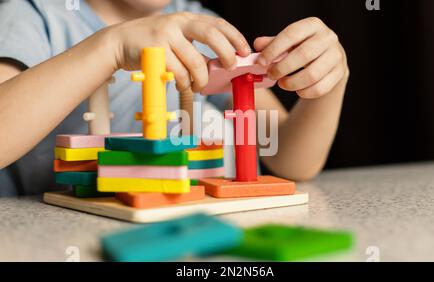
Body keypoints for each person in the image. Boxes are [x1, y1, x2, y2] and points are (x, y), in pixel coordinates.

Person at [0, 0, 349, 196]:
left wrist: (325, 87)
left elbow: (291, 161)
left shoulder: (199, 24)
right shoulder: (34, 16)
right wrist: (111, 47)